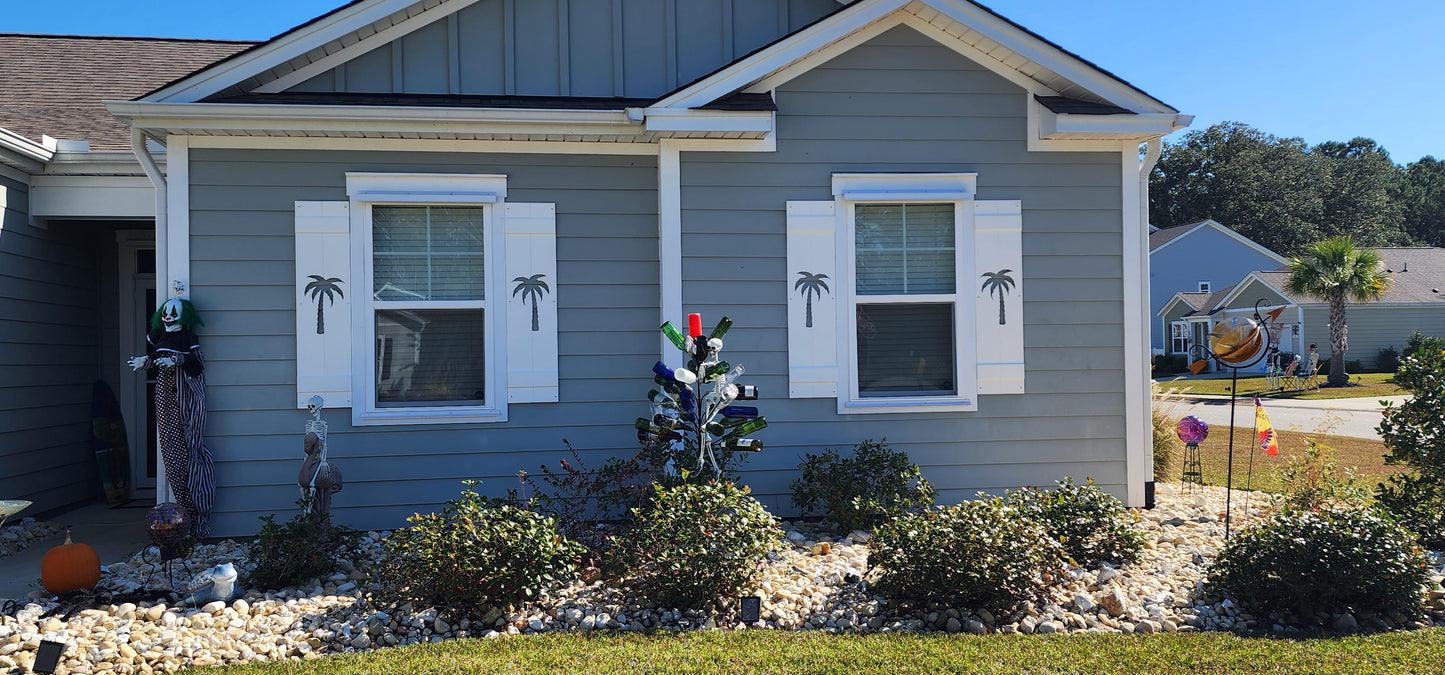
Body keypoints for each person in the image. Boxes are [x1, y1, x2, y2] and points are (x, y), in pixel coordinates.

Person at [128, 297, 215, 537]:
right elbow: (156, 359)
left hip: (185, 401)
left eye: (174, 313)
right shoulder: (158, 336)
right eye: (165, 313)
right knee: (173, 457)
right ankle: (186, 515)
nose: (168, 317)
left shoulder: (187, 339)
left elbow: (196, 365)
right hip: (165, 400)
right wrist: (145, 361)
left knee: (192, 453)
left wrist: (176, 360)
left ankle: (198, 518)